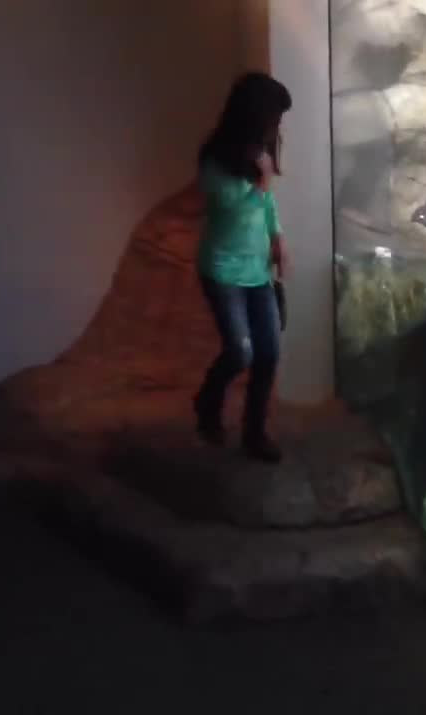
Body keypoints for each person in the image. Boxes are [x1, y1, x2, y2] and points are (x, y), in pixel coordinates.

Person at [192, 71, 292, 463]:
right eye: (275, 117)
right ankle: (207, 401)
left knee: (268, 352)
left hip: (257, 271)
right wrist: (260, 184)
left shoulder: (262, 152)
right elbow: (230, 206)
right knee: (240, 351)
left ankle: (255, 432)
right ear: (254, 114)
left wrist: (278, 238)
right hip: (221, 270)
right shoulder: (215, 157)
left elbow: (267, 205)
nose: (278, 126)